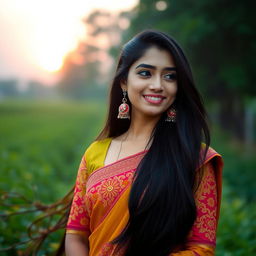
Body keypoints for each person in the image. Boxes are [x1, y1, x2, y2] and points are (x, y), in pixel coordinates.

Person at [65, 30, 223, 256]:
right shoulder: (95, 153)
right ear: (123, 82)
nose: (158, 85)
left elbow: (202, 249)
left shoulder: (195, 159)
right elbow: (76, 235)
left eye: (170, 76)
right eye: (145, 73)